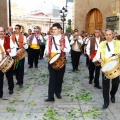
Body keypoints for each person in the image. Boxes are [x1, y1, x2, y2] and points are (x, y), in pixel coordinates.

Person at [43, 23, 70, 102]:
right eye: (52, 29)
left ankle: (58, 93)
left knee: (59, 78)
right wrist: (45, 53)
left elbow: (68, 49)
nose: (53, 31)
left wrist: (63, 48)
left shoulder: (64, 38)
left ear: (59, 30)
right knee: (52, 78)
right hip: (51, 60)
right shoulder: (50, 38)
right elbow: (47, 47)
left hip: (61, 60)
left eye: (55, 29)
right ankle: (50, 96)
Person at [95, 29, 120, 109]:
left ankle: (112, 94)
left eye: (110, 34)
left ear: (113, 35)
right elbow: (97, 54)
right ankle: (106, 101)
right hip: (105, 66)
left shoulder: (118, 43)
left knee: (115, 84)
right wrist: (98, 59)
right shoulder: (102, 44)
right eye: (106, 35)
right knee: (105, 85)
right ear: (104, 35)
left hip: (115, 65)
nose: (108, 36)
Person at [0, 27, 16, 98]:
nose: (1, 33)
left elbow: (14, 50)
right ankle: (0, 93)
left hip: (8, 61)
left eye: (2, 31)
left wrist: (10, 51)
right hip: (0, 62)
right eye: (0, 31)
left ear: (4, 32)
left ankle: (11, 88)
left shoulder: (8, 40)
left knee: (9, 76)